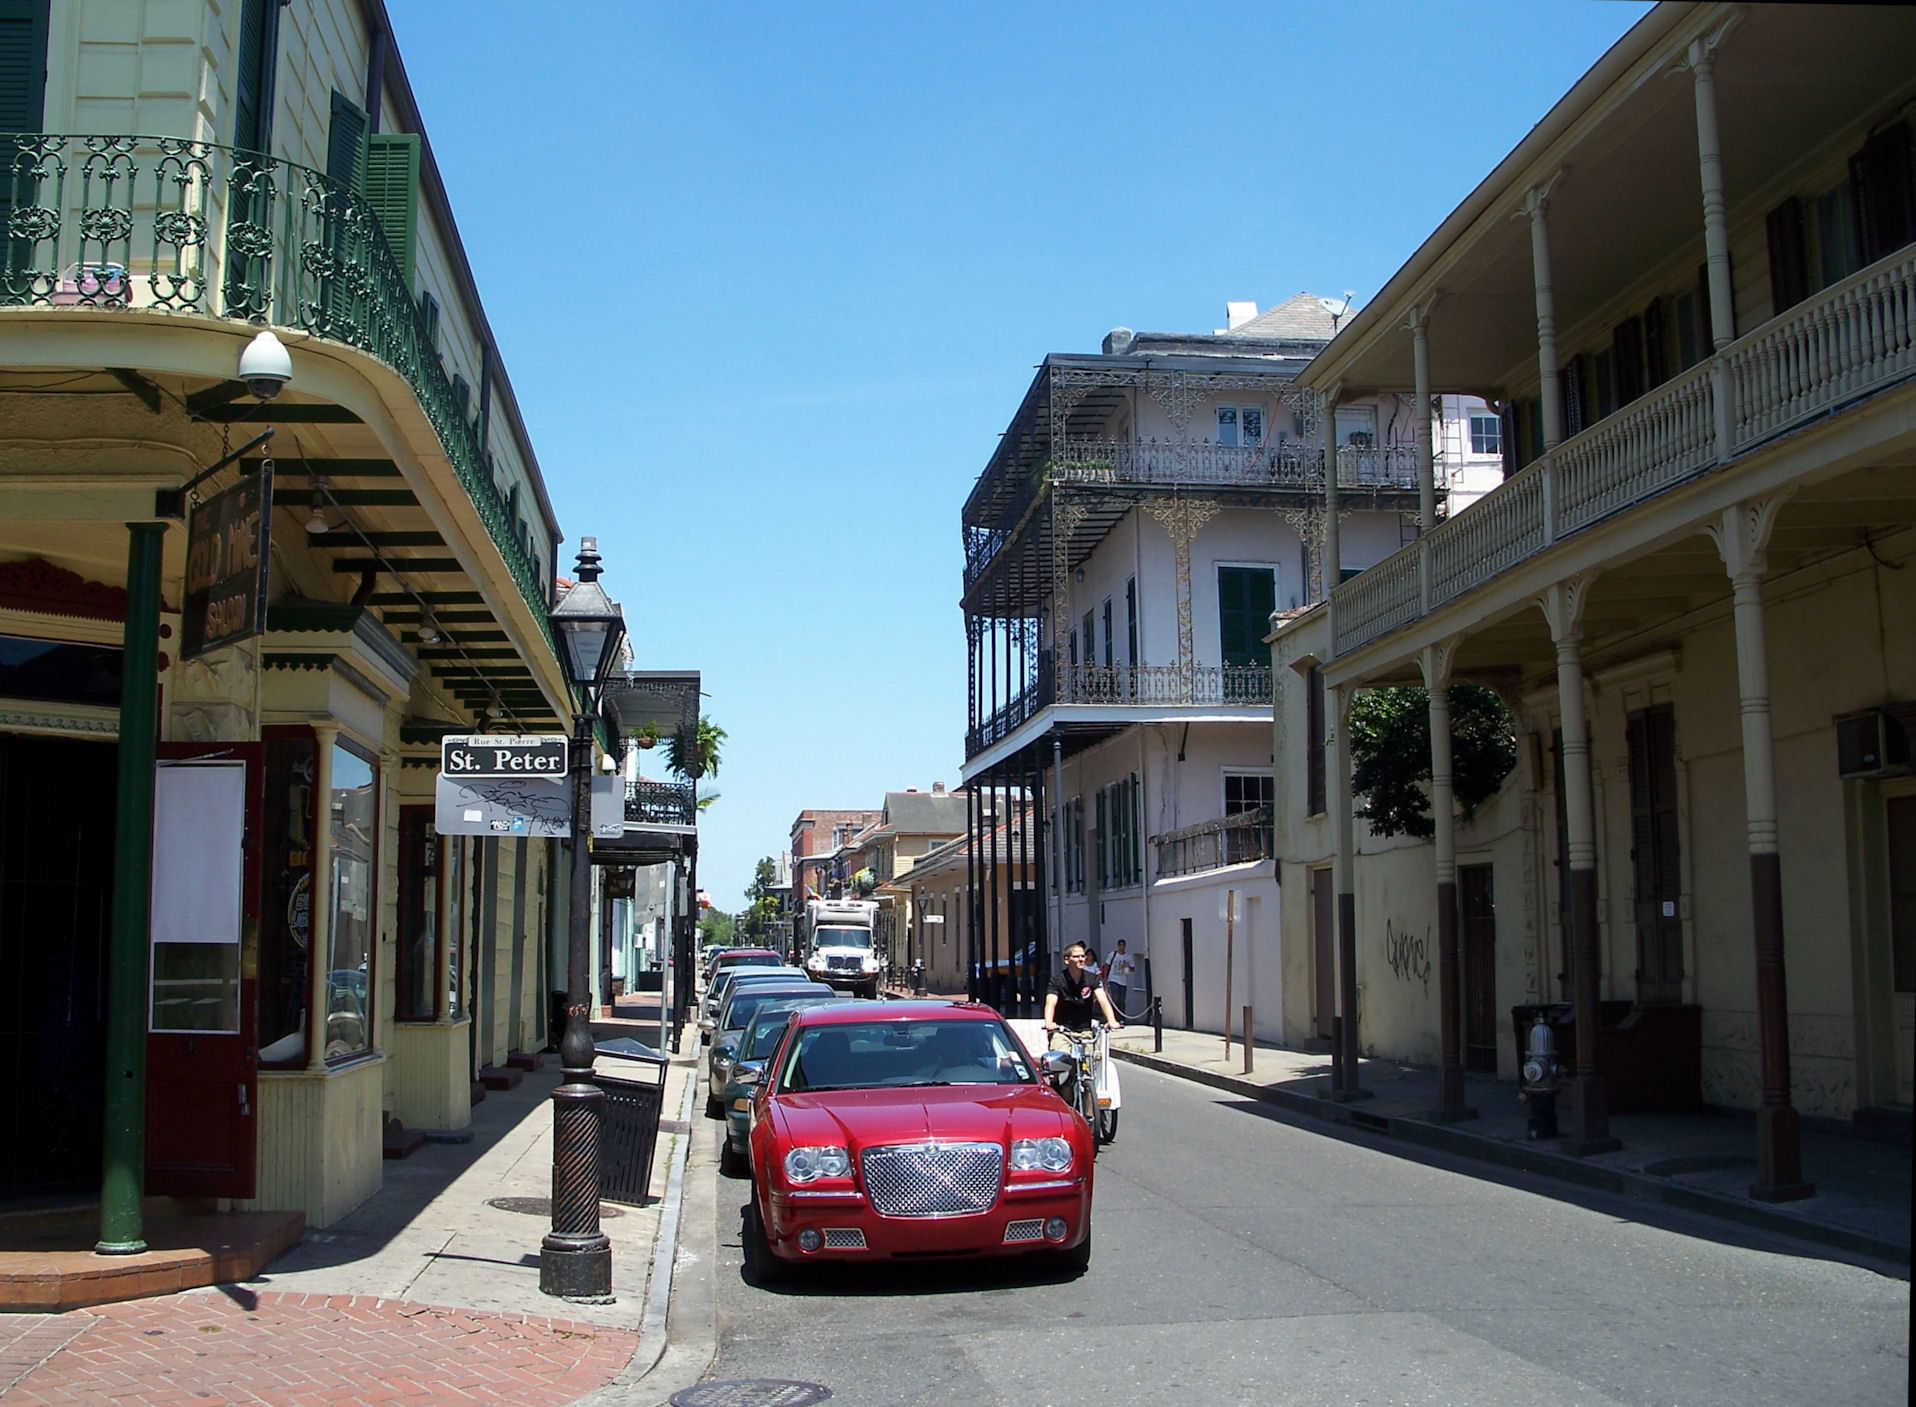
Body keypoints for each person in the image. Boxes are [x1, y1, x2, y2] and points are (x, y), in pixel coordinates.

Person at [1043, 942, 1121, 1041]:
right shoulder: (1057, 981)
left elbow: (1103, 1000)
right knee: (1061, 1054)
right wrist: (1049, 1022)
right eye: (1076, 957)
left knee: (1091, 1055)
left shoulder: (1093, 979)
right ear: (1067, 960)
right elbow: (1050, 1003)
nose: (1081, 959)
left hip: (1085, 1031)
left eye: (1083, 956)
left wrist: (1111, 1020)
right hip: (1062, 1031)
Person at [1104, 938, 1136, 1021]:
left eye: (1123, 946)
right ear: (1118, 946)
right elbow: (1107, 965)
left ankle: (1121, 1018)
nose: (1121, 947)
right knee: (1115, 998)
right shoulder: (1113, 954)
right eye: (1120, 945)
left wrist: (1127, 967)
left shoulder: (1128, 957)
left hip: (1123, 980)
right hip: (1113, 979)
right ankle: (1113, 1017)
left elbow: (1133, 969)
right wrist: (1105, 977)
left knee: (1122, 1000)